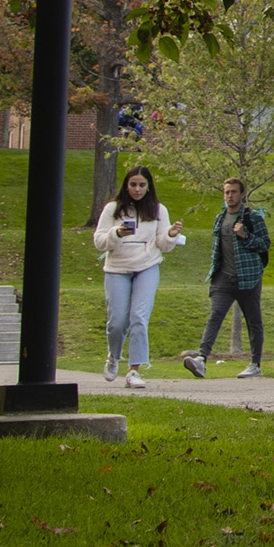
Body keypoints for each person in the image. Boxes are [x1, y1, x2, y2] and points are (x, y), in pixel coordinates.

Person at [90, 166, 180, 387]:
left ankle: (134, 370)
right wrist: (117, 233)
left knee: (139, 318)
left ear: (149, 187)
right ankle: (114, 356)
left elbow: (162, 245)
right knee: (118, 321)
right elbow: (99, 241)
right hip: (117, 269)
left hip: (147, 267)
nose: (137, 190)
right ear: (126, 185)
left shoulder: (158, 210)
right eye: (133, 185)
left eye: (142, 185)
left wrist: (170, 235)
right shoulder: (113, 209)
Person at [180, 177, 272, 380]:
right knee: (215, 316)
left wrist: (245, 235)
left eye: (233, 192)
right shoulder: (219, 219)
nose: (230, 196)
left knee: (253, 320)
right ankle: (201, 359)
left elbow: (265, 243)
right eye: (226, 192)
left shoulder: (253, 217)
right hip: (223, 277)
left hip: (248, 277)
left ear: (241, 195)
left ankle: (255, 364)